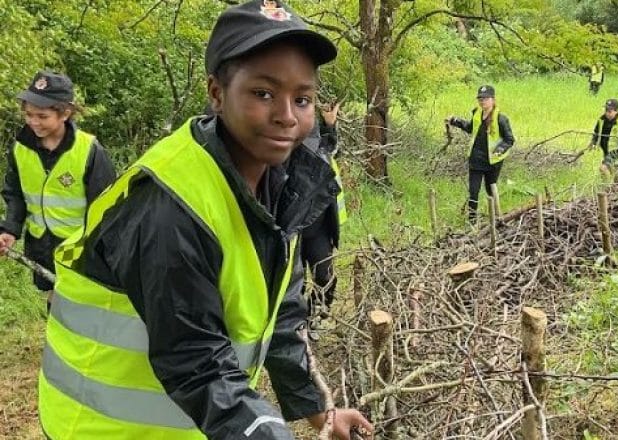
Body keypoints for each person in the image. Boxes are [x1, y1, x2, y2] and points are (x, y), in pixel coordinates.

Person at [37, 2, 373, 439]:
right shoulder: (170, 206)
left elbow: (281, 312)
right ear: (216, 93)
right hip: (103, 427)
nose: (287, 116)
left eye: (303, 99)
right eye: (263, 94)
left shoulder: (281, 185)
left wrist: (320, 413)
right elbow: (196, 362)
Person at [0, 71, 115, 305]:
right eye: (29, 115)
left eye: (42, 116)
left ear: (65, 113)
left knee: (77, 306)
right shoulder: (20, 149)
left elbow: (107, 208)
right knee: (54, 301)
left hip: (79, 251)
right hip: (40, 247)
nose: (33, 122)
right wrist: (10, 230)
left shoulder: (89, 151)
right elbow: (15, 195)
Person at [302, 102, 346, 336]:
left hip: (319, 226)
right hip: (293, 229)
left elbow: (331, 149)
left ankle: (313, 317)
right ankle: (296, 326)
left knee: (325, 278)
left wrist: (330, 124)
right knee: (293, 285)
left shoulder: (318, 137)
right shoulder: (286, 142)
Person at [446, 85, 515, 222]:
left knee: (491, 191)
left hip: (492, 162)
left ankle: (496, 219)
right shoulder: (477, 113)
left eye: (485, 99)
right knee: (473, 192)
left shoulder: (501, 119)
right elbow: (470, 128)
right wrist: (456, 121)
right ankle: (472, 221)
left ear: (493, 100)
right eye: (480, 99)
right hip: (476, 160)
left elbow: (509, 139)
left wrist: (499, 150)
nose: (482, 101)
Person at [587, 98, 618, 175]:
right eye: (606, 111)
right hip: (606, 150)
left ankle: (608, 186)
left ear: (616, 111)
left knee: (603, 168)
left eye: (609, 112)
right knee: (613, 172)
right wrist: (593, 142)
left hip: (616, 151)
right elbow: (596, 132)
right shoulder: (601, 119)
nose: (607, 113)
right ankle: (614, 185)